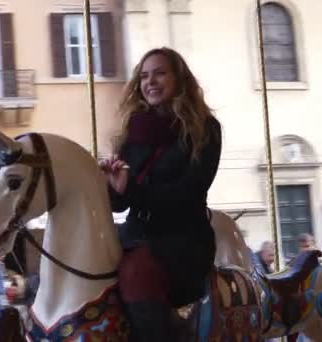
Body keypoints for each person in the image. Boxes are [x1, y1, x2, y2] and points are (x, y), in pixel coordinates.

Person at [100, 47, 222, 340]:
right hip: (134, 236)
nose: (150, 82)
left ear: (179, 79)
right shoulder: (134, 133)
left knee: (134, 273)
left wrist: (132, 188)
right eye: (144, 76)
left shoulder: (204, 130)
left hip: (182, 240)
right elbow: (119, 204)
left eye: (159, 73)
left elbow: (189, 192)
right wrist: (112, 185)